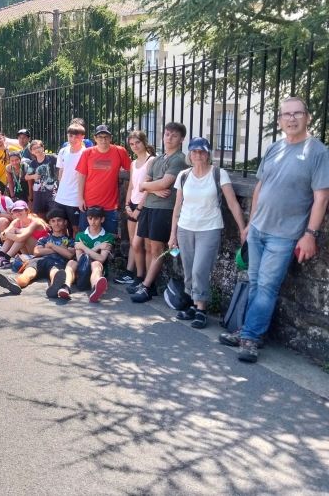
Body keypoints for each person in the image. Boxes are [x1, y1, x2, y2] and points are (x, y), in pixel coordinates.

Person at [220, 98, 329, 363]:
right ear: (280, 120)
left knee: (267, 286)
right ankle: (250, 330)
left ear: (308, 117)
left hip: (285, 233)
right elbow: (259, 188)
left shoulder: (317, 152)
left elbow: (322, 197)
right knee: (256, 282)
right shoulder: (274, 148)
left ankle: (250, 337)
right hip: (258, 229)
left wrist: (310, 234)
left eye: (297, 114)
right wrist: (249, 224)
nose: (292, 119)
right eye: (286, 115)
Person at [169, 138, 246, 329]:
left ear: (208, 153)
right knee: (188, 270)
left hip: (209, 228)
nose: (198, 155)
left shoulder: (219, 174)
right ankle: (193, 306)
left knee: (199, 270)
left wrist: (243, 228)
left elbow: (233, 203)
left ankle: (201, 309)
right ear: (189, 154)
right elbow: (177, 206)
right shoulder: (183, 175)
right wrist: (172, 234)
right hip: (185, 228)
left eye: (201, 152)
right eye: (194, 152)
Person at [130, 122, 188, 303]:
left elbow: (165, 183)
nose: (169, 138)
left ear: (181, 139)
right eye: (167, 134)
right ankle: (149, 284)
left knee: (156, 249)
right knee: (147, 247)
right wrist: (153, 188)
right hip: (149, 206)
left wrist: (151, 186)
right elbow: (142, 185)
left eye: (174, 136)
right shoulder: (157, 159)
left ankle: (146, 286)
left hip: (164, 210)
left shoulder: (179, 159)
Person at [0, 208, 75, 295]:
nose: (56, 223)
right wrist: (60, 249)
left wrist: (52, 246)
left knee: (55, 272)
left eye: (59, 220)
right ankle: (15, 283)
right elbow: (37, 252)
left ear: (65, 222)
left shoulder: (70, 240)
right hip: (38, 260)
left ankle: (55, 287)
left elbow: (69, 255)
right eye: (53, 221)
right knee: (28, 273)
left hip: (56, 262)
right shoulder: (45, 238)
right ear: (50, 223)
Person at [114, 131, 156, 285]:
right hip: (132, 204)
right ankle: (131, 273)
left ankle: (142, 277)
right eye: (131, 144)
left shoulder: (151, 161)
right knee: (133, 242)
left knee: (142, 244)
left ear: (144, 142)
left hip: (144, 206)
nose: (135, 146)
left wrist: (139, 207)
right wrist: (127, 205)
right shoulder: (133, 163)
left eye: (137, 142)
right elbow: (131, 186)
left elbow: (149, 187)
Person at [75, 124, 131, 235]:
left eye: (106, 137)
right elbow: (81, 176)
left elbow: (133, 170)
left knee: (109, 238)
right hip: (89, 203)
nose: (103, 140)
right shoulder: (87, 153)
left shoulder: (120, 151)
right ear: (95, 138)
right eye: (100, 137)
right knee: (85, 236)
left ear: (110, 138)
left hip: (110, 205)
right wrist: (80, 198)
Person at [55, 206, 113, 302]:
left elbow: (101, 258)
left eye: (96, 218)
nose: (93, 221)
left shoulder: (107, 237)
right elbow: (80, 258)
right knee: (71, 263)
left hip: (96, 271)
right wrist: (98, 247)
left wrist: (83, 247)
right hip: (81, 272)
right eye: (90, 218)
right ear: (87, 219)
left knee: (96, 263)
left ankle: (95, 288)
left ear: (102, 219)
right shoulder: (80, 235)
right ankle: (66, 287)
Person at [54, 121, 89, 238]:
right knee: (61, 226)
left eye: (76, 136)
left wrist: (82, 197)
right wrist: (59, 190)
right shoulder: (63, 151)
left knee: (76, 228)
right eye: (70, 136)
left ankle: (76, 252)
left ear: (83, 137)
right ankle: (63, 251)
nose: (73, 139)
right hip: (61, 197)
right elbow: (61, 172)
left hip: (75, 198)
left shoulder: (86, 153)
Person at [0, 200, 47, 269]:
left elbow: (21, 237)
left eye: (20, 210)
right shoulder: (16, 221)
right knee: (14, 235)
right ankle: (1, 256)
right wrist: (10, 233)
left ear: (27, 211)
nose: (17, 213)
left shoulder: (35, 222)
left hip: (40, 251)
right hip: (28, 251)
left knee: (22, 237)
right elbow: (2, 236)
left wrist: (13, 232)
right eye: (15, 211)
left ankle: (6, 259)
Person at [25, 140, 57, 220]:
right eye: (34, 148)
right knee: (38, 215)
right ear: (31, 152)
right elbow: (26, 177)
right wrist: (33, 176)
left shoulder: (52, 158)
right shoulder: (33, 163)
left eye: (38, 147)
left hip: (52, 191)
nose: (36, 150)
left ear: (43, 147)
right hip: (38, 193)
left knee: (54, 213)